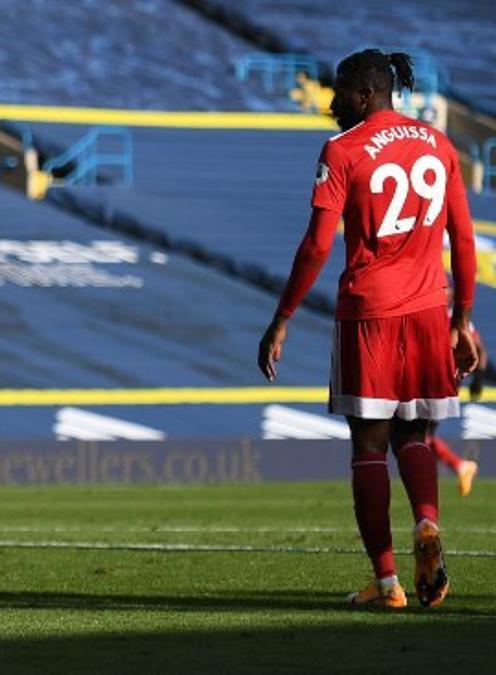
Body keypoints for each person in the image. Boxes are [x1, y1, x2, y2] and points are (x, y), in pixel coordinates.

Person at [258, 49, 477, 610]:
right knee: (414, 436)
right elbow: (463, 237)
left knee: (369, 446)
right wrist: (462, 319)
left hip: (370, 313)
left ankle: (387, 585)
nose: (332, 102)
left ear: (364, 95)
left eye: (339, 91)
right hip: (428, 312)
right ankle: (426, 522)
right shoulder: (439, 144)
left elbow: (317, 245)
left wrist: (282, 317)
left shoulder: (343, 149)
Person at [428, 311, 484, 496]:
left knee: (418, 434)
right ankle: (455, 468)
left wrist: (478, 380)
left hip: (440, 386)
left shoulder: (455, 317)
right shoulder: (433, 312)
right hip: (431, 383)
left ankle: (459, 466)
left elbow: (479, 348)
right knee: (420, 435)